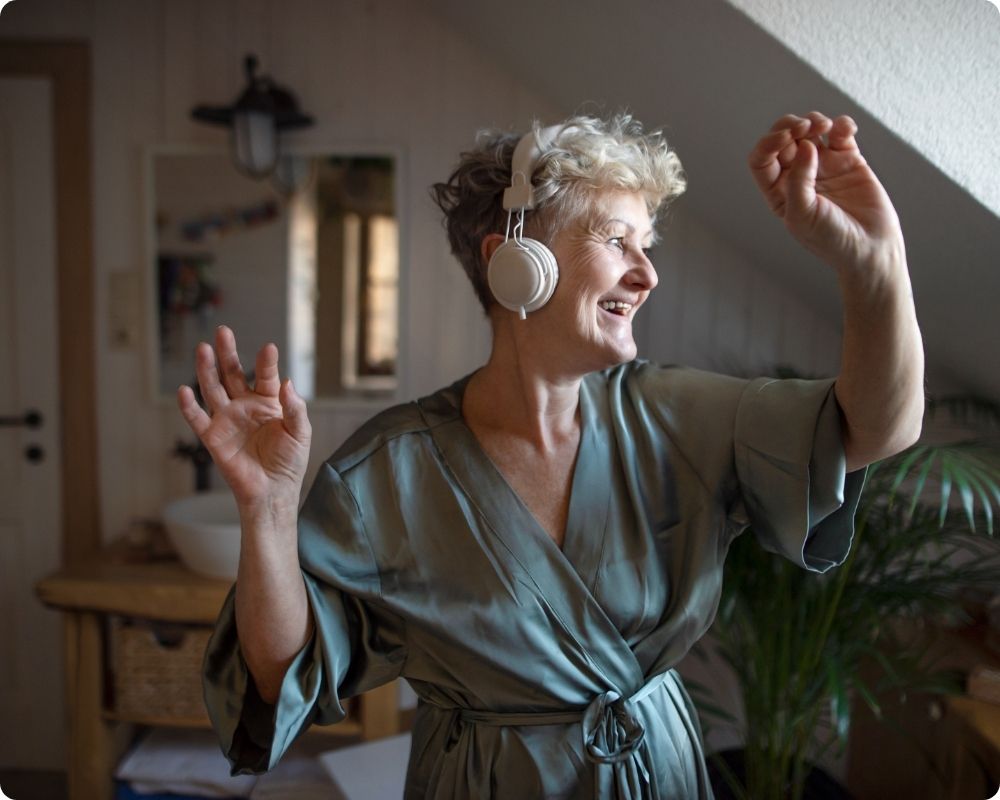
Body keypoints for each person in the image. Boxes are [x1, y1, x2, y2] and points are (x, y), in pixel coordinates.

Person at [179, 111, 924, 798]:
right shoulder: (388, 473)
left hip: (659, 774)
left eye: (647, 245)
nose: (647, 273)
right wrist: (268, 510)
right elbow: (282, 673)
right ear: (514, 263)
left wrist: (873, 262)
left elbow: (874, 428)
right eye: (615, 240)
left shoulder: (678, 417)